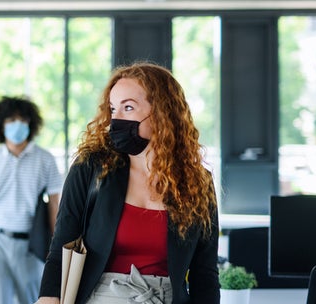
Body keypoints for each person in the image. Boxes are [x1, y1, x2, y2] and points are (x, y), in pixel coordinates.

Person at [36, 62, 220, 304]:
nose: (116, 119)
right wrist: (48, 298)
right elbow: (61, 244)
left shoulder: (197, 182)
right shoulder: (91, 167)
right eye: (113, 109)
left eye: (128, 107)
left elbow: (204, 272)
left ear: (163, 112)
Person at [0, 96, 63, 304]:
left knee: (33, 300)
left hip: (32, 244)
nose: (17, 125)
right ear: (0, 125)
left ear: (31, 124)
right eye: (11, 120)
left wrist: (55, 248)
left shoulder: (46, 160)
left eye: (22, 120)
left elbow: (54, 205)